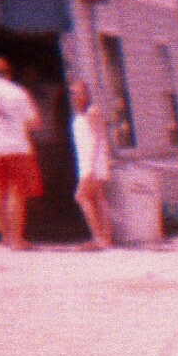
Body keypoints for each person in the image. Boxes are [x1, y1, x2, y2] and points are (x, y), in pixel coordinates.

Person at [0, 56, 44, 252]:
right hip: (17, 147)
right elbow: (35, 122)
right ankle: (17, 240)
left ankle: (5, 237)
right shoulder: (17, 92)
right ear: (8, 73)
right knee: (16, 192)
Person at [68, 81, 114, 249]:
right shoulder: (79, 115)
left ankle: (98, 237)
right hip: (86, 161)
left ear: (86, 95)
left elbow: (98, 138)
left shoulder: (92, 111)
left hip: (93, 162)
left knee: (80, 196)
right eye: (72, 93)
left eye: (78, 93)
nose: (74, 96)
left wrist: (93, 165)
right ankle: (105, 238)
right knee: (98, 198)